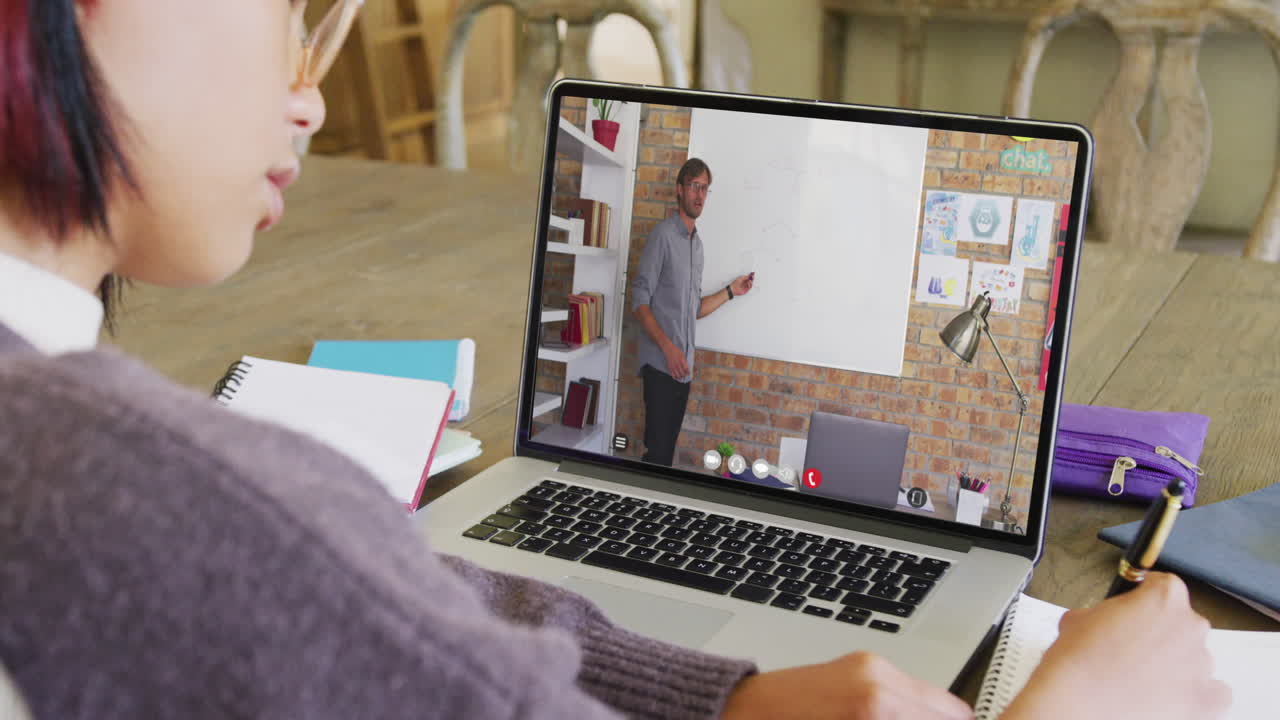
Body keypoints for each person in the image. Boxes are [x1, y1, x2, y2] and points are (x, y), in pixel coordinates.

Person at [0, 2, 1230, 719]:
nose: (308, 91)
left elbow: (386, 602)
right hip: (659, 375)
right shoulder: (167, 500)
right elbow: (310, 574)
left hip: (685, 385)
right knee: (648, 457)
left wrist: (725, 697)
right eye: (283, 8)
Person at [631, 159, 753, 466]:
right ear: (680, 190)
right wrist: (669, 349)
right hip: (661, 365)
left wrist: (731, 291)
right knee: (656, 456)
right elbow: (639, 301)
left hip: (683, 371)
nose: (700, 195)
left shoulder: (697, 247)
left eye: (705, 189)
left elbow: (693, 308)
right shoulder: (662, 236)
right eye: (694, 186)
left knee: (665, 457)